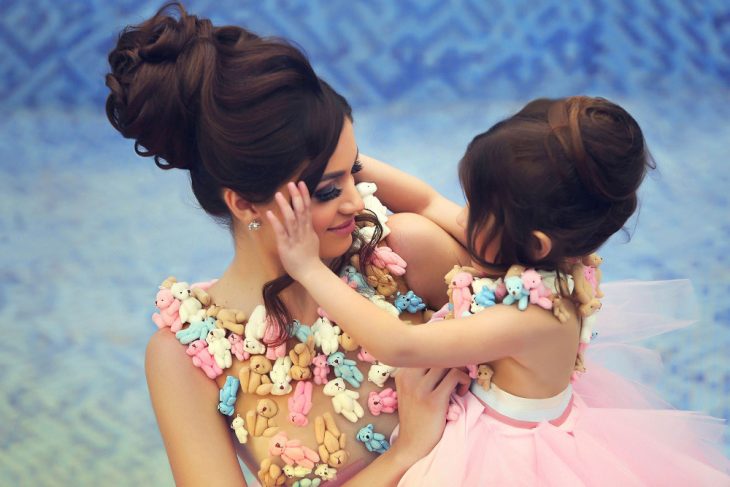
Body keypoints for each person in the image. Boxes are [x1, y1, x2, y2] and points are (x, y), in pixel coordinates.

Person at [269, 96, 730, 485]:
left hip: (507, 455)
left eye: (479, 208)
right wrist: (338, 162)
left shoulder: (535, 318)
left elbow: (402, 344)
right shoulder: (541, 254)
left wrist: (309, 268)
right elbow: (427, 201)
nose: (464, 215)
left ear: (534, 243)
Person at [105, 3, 470, 486]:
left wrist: (424, 200)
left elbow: (545, 283)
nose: (357, 200)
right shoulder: (187, 357)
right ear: (243, 203)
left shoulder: (399, 255)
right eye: (325, 190)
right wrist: (404, 452)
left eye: (355, 171)